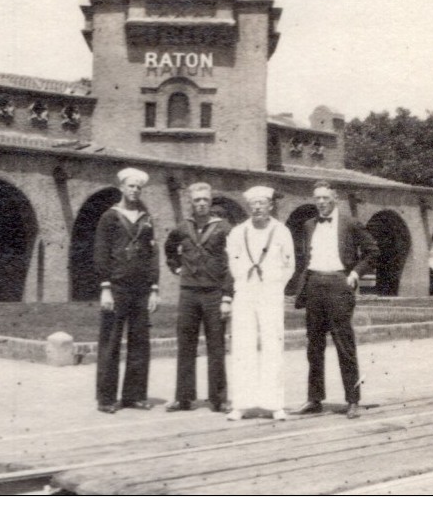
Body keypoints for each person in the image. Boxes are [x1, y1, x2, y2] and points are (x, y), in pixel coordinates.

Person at [292, 181, 379, 419]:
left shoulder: (350, 223)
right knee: (314, 345)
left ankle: (353, 400)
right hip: (314, 285)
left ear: (335, 199)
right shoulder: (309, 225)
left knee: (344, 343)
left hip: (339, 285)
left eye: (325, 198)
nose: (321, 202)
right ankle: (314, 399)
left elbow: (373, 251)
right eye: (317, 198)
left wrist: (354, 274)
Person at [224, 186, 295, 421]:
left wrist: (275, 287)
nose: (257, 207)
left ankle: (274, 404)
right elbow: (232, 262)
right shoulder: (237, 232)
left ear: (270, 206)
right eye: (253, 204)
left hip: (271, 294)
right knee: (243, 345)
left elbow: (289, 265)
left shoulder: (282, 231)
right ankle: (242, 403)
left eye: (261, 203)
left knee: (272, 345)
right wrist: (243, 284)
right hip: (245, 293)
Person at [93, 167, 160, 414]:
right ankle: (106, 398)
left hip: (141, 289)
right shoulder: (110, 217)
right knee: (110, 342)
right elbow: (101, 253)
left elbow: (153, 254)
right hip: (117, 287)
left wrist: (154, 287)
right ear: (122, 187)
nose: (135, 191)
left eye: (138, 187)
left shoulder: (146, 217)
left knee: (140, 342)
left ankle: (134, 395)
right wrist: (105, 288)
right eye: (131, 186)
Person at [164, 182, 234, 413]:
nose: (201, 204)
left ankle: (219, 398)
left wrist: (227, 296)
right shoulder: (183, 227)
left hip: (214, 293)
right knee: (185, 345)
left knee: (216, 346)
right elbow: (169, 247)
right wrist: (175, 268)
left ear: (210, 201)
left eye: (205, 199)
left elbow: (233, 262)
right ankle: (183, 397)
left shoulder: (224, 228)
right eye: (197, 200)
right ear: (191, 203)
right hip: (189, 292)